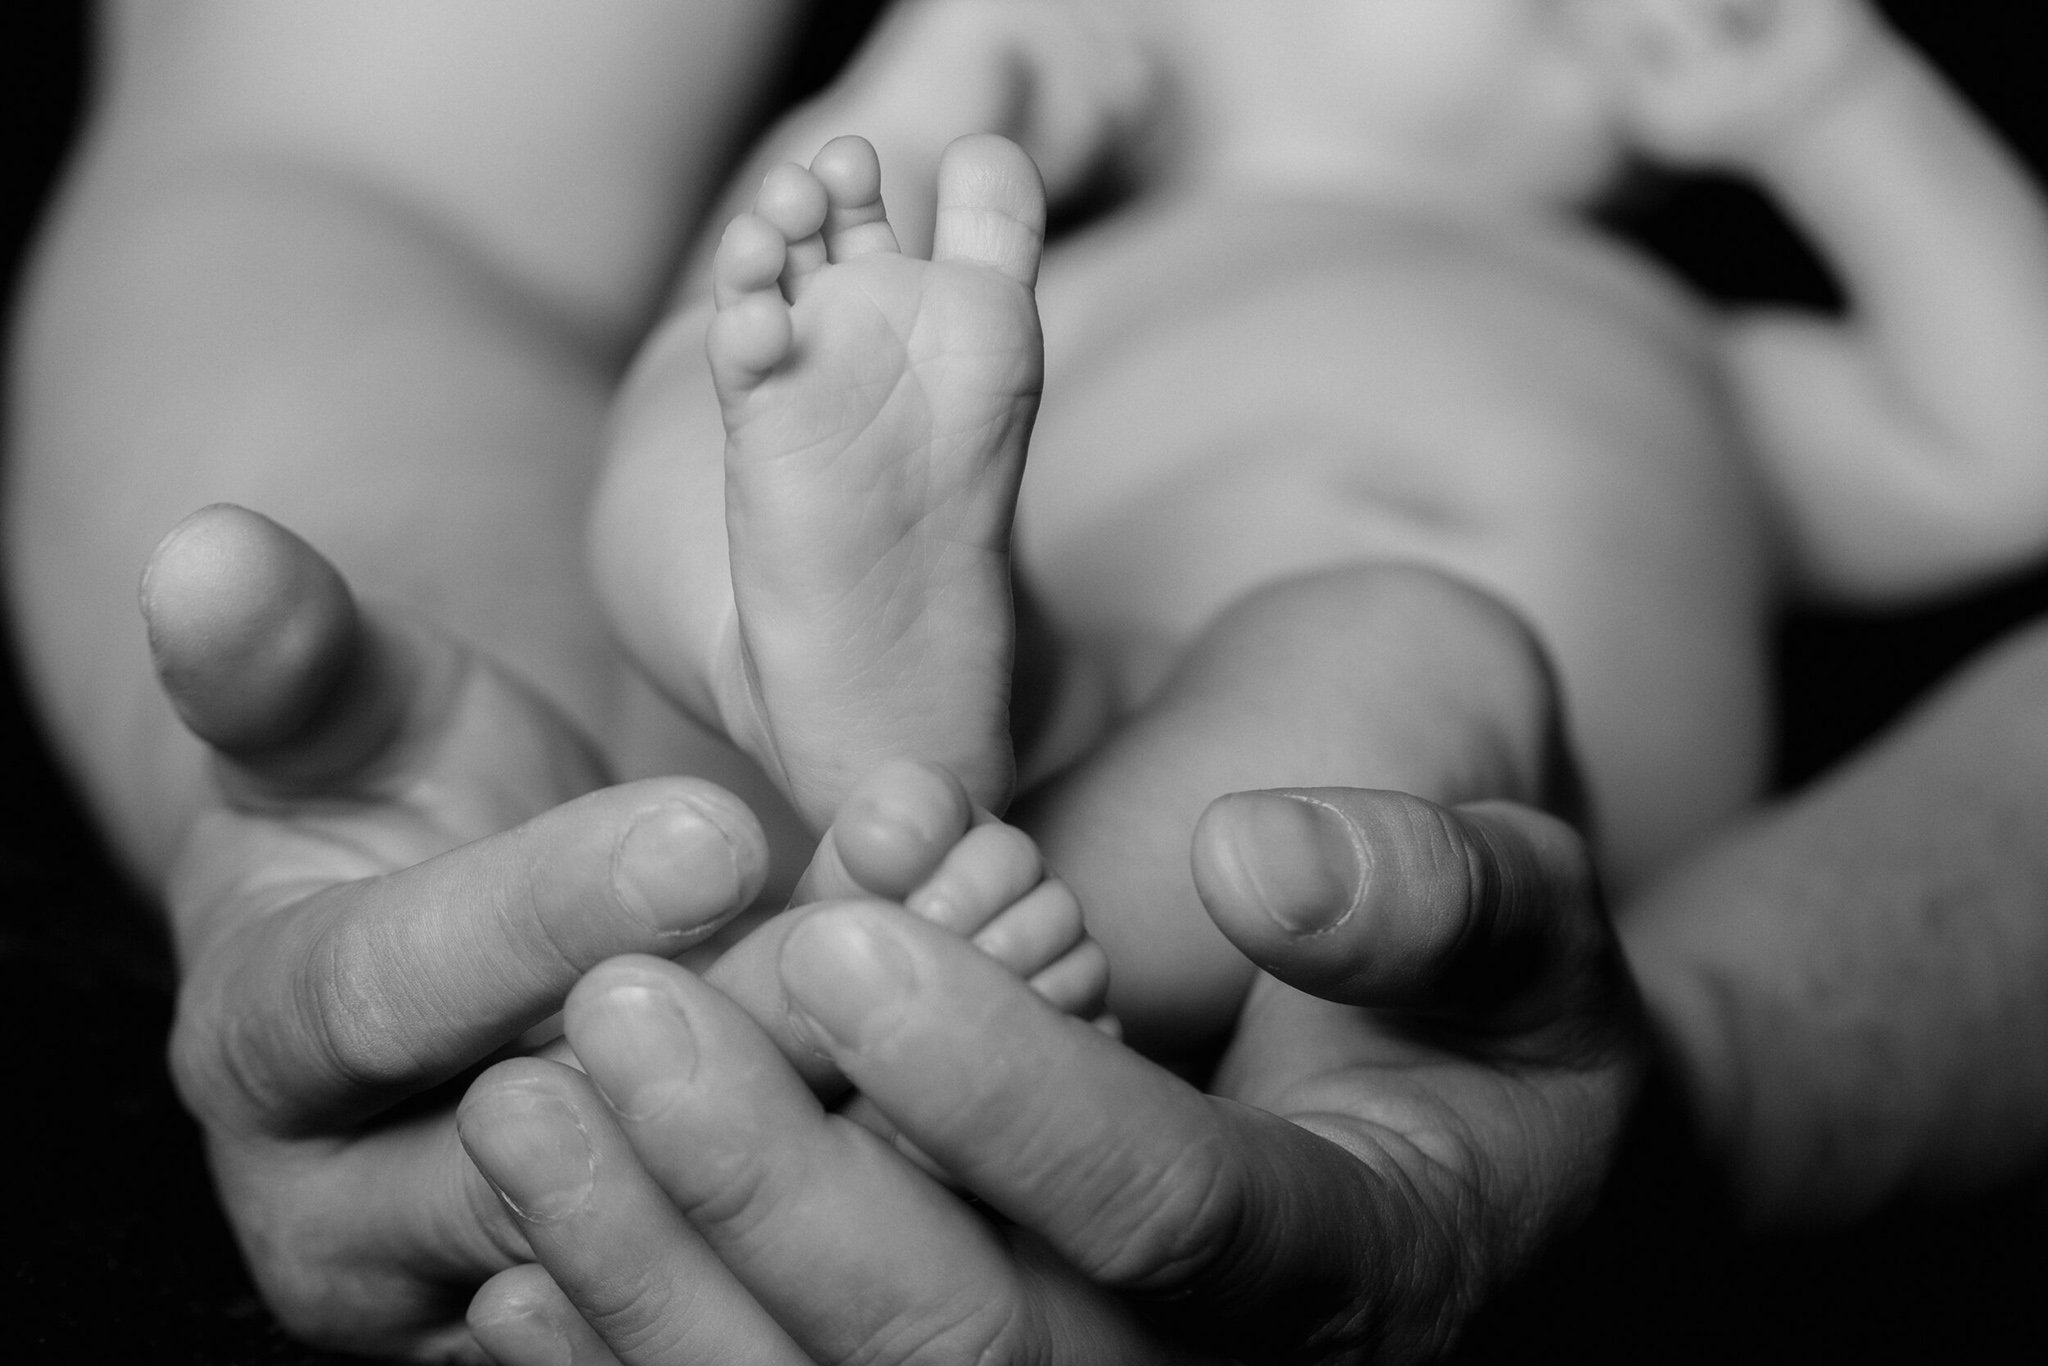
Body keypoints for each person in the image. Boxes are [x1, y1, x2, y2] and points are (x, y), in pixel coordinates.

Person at [588, 0, 2048, 1067]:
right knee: (741, 405)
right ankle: (821, 681)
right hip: (1076, 676)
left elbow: (2012, 453)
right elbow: (810, 306)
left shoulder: (1694, 350)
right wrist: (925, 96)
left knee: (1392, 650)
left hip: (1458, 829)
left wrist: (1832, 100)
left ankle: (948, 902)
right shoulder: (1059, 284)